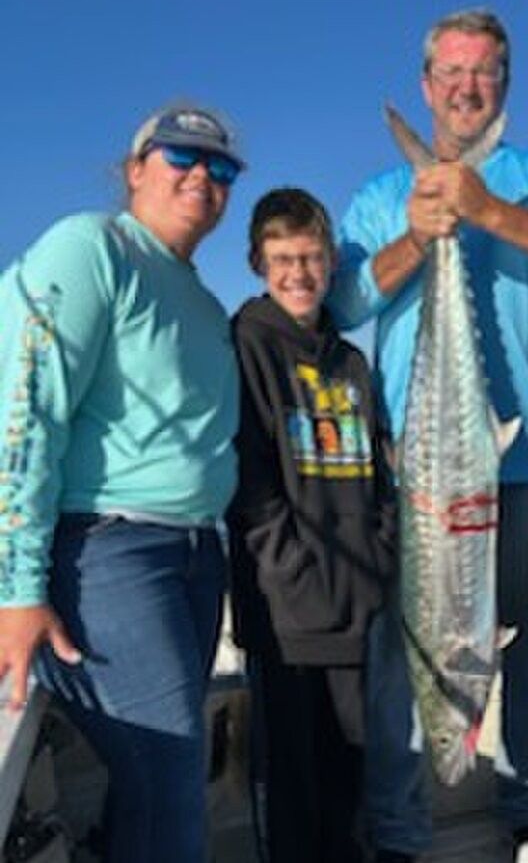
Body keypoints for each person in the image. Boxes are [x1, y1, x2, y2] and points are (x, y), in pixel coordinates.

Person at [327, 8, 528, 860]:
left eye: (484, 72)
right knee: (405, 659)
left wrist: (489, 211)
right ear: (427, 86)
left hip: (525, 462)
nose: (467, 87)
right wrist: (418, 236)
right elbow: (342, 303)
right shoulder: (382, 195)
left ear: (505, 84)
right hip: (418, 472)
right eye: (452, 72)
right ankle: (398, 831)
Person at [0, 104, 244, 862]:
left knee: (157, 778)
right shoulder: (91, 247)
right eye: (180, 156)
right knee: (170, 775)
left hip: (197, 554)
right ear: (135, 170)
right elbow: (25, 412)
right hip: (108, 552)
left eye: (220, 167)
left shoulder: (204, 301)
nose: (201, 175)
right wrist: (16, 589)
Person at [227, 188, 397, 863]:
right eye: (282, 260)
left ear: (331, 262)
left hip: (357, 611)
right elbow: (251, 484)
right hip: (287, 622)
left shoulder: (351, 363)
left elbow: (381, 477)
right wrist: (295, 575)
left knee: (349, 790)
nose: (298, 274)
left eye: (311, 258)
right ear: (258, 264)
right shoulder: (246, 345)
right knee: (294, 798)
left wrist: (379, 558)